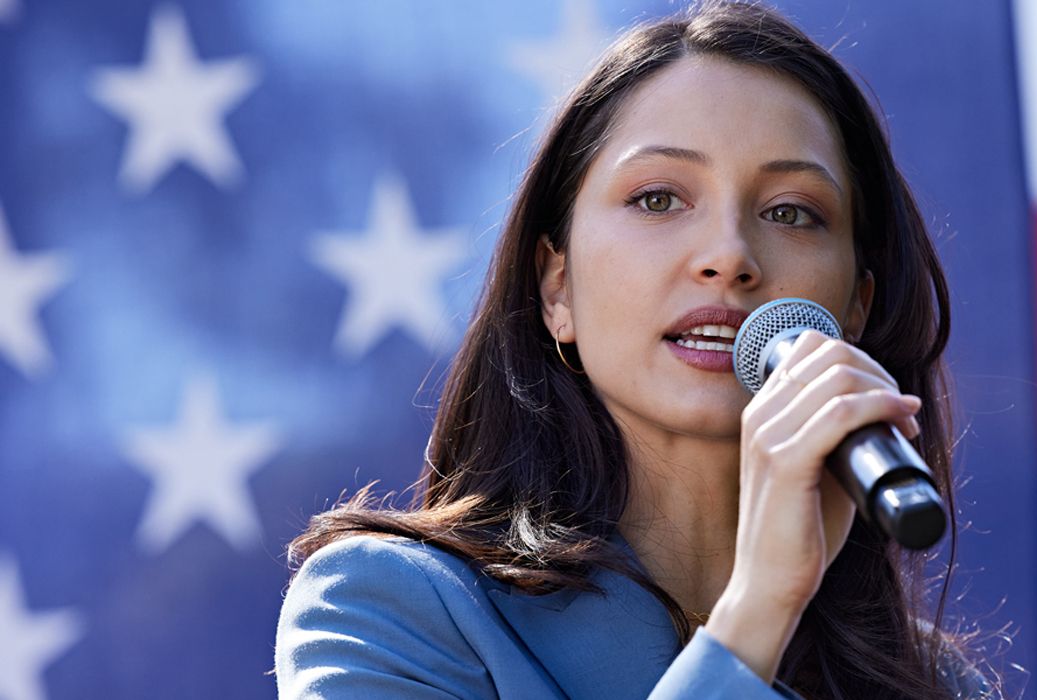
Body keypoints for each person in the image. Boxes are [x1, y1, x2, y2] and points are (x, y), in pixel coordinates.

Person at [275, 2, 996, 698]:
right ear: (558, 287)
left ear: (854, 310)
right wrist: (757, 611)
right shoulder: (387, 612)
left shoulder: (934, 687)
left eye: (790, 212)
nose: (729, 255)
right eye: (658, 198)